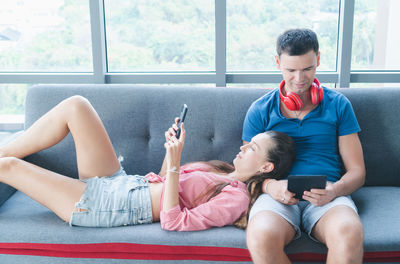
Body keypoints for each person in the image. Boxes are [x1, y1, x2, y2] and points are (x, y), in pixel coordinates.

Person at [0, 95, 295, 231]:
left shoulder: (236, 199)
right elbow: (166, 180)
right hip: (125, 183)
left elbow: (172, 220)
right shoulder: (221, 171)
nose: (244, 146)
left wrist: (177, 162)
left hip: (111, 206)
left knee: (10, 167)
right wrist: (171, 149)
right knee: (76, 107)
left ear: (266, 167)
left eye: (253, 147)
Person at [243, 29, 366, 263]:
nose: (299, 79)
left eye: (307, 69)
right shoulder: (260, 110)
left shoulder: (338, 105)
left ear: (318, 60)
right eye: (290, 70)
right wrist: (271, 187)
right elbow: (245, 172)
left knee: (349, 232)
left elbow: (358, 173)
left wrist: (335, 190)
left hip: (328, 193)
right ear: (278, 63)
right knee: (260, 236)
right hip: (277, 195)